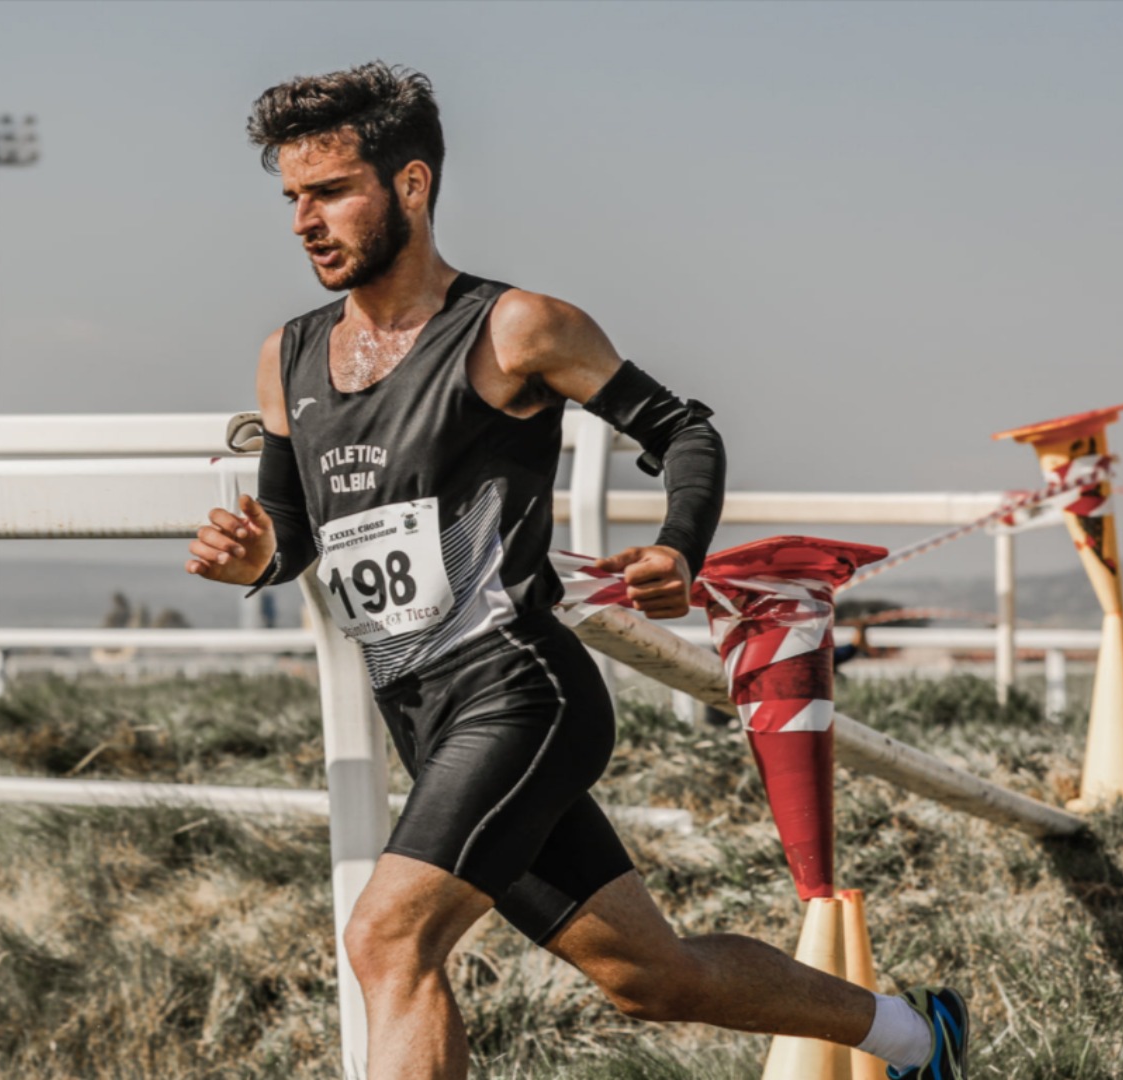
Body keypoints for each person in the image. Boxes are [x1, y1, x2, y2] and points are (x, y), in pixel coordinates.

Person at [183, 63, 969, 1080]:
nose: (304, 220)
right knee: (650, 977)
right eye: (292, 197)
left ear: (411, 186)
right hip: (422, 717)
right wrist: (258, 555)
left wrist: (679, 549)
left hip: (523, 698)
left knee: (388, 939)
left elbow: (684, 432)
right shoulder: (287, 357)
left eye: (330, 191)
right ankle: (919, 1038)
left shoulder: (515, 329)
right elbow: (292, 530)